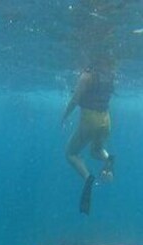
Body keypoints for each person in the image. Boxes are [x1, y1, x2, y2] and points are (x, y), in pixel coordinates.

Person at [62, 56, 116, 215]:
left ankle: (87, 178)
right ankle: (108, 160)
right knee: (96, 151)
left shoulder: (87, 76)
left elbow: (75, 100)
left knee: (70, 153)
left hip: (90, 119)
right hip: (106, 119)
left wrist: (64, 116)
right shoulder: (110, 75)